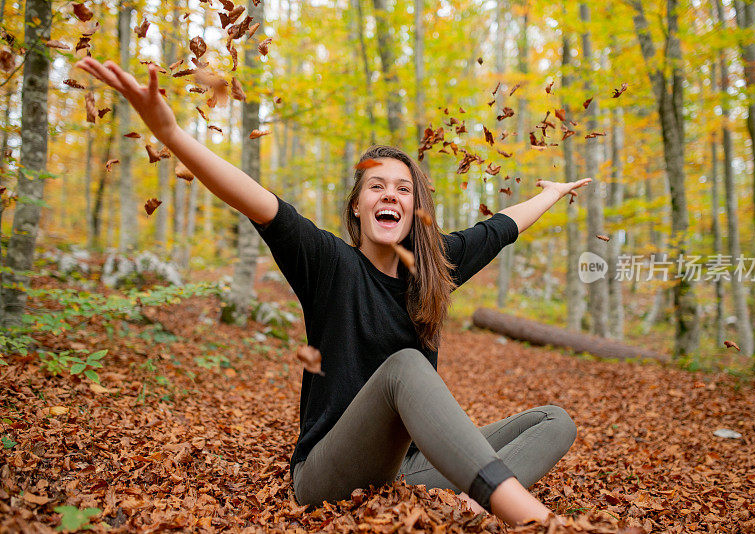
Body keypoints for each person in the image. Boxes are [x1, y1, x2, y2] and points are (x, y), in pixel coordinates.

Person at [75, 57, 591, 527]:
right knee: (406, 366)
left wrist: (549, 195)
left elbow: (502, 226)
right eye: (376, 186)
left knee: (555, 421)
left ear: (415, 211)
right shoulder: (329, 263)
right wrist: (169, 131)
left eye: (403, 188)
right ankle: (529, 518)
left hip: (403, 469)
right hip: (326, 473)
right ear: (358, 208)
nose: (390, 193)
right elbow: (256, 199)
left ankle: (466, 502)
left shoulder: (435, 268)